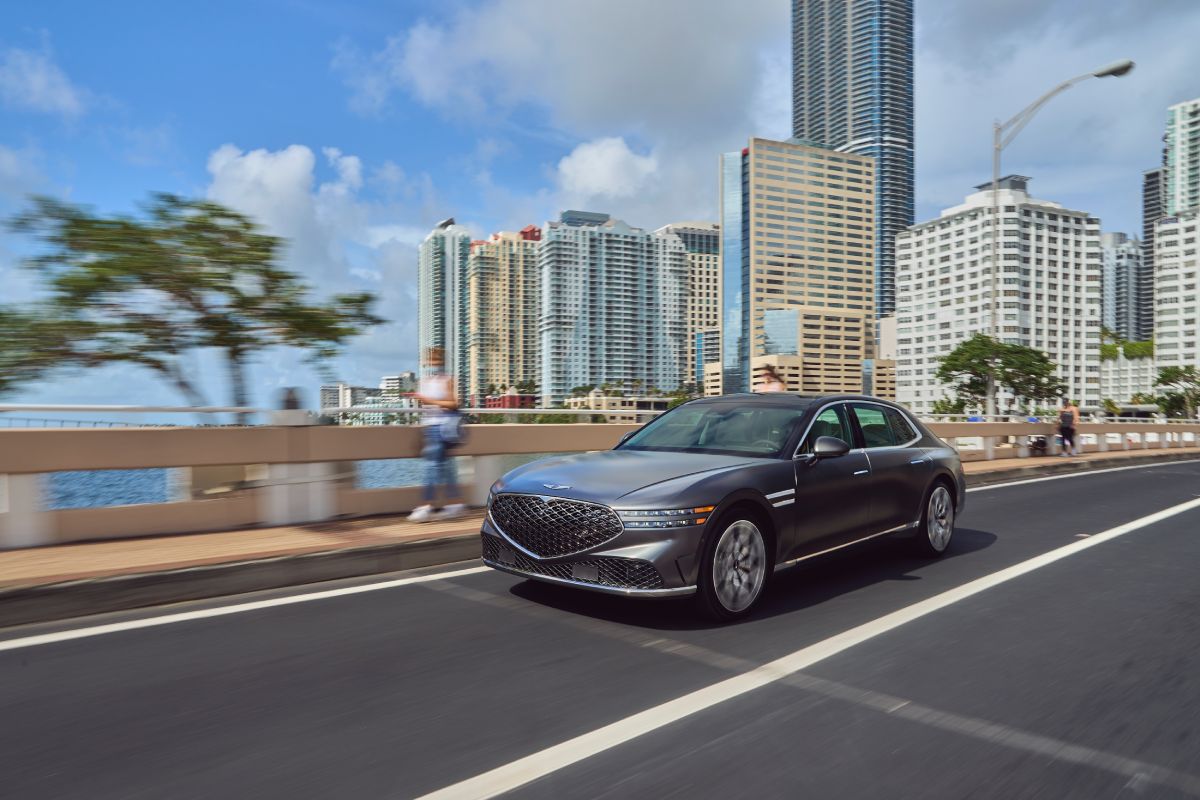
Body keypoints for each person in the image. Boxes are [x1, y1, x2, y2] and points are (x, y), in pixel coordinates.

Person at [407, 348, 467, 522]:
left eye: (435, 359)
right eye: (430, 360)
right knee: (446, 469)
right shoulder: (425, 381)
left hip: (442, 429)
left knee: (432, 468)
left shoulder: (446, 380)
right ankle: (456, 504)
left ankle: (426, 506)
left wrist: (429, 401)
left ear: (441, 361)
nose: (432, 363)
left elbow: (454, 403)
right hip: (430, 428)